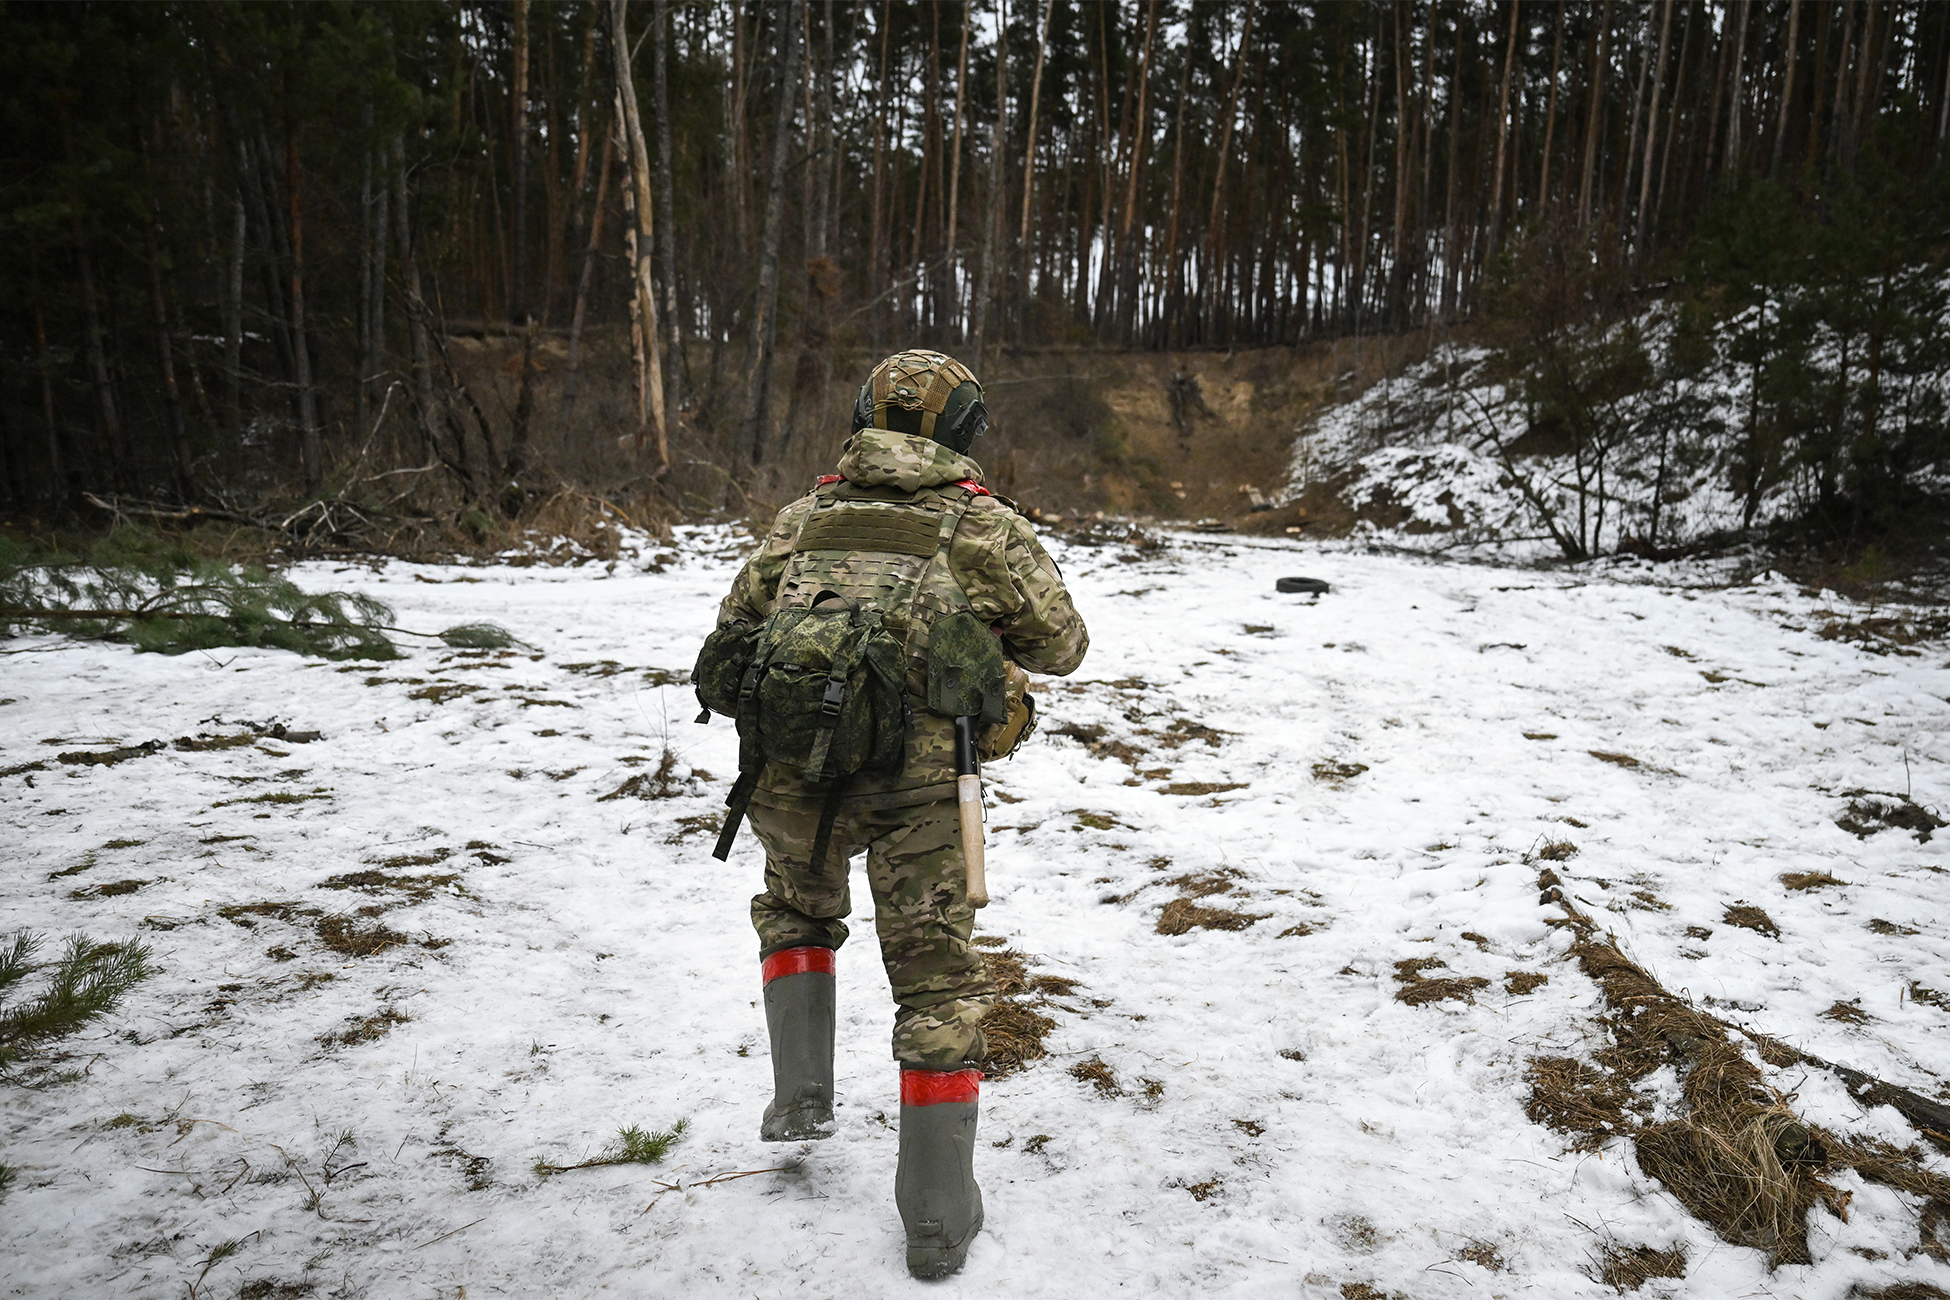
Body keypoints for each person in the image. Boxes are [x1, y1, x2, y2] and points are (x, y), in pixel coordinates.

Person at [704, 349, 1088, 1278]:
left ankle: (799, 1094)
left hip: (795, 774)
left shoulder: (805, 517)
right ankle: (936, 1216)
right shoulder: (982, 528)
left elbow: (735, 621)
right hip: (923, 790)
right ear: (962, 431)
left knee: (795, 914)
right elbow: (1064, 645)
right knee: (937, 988)